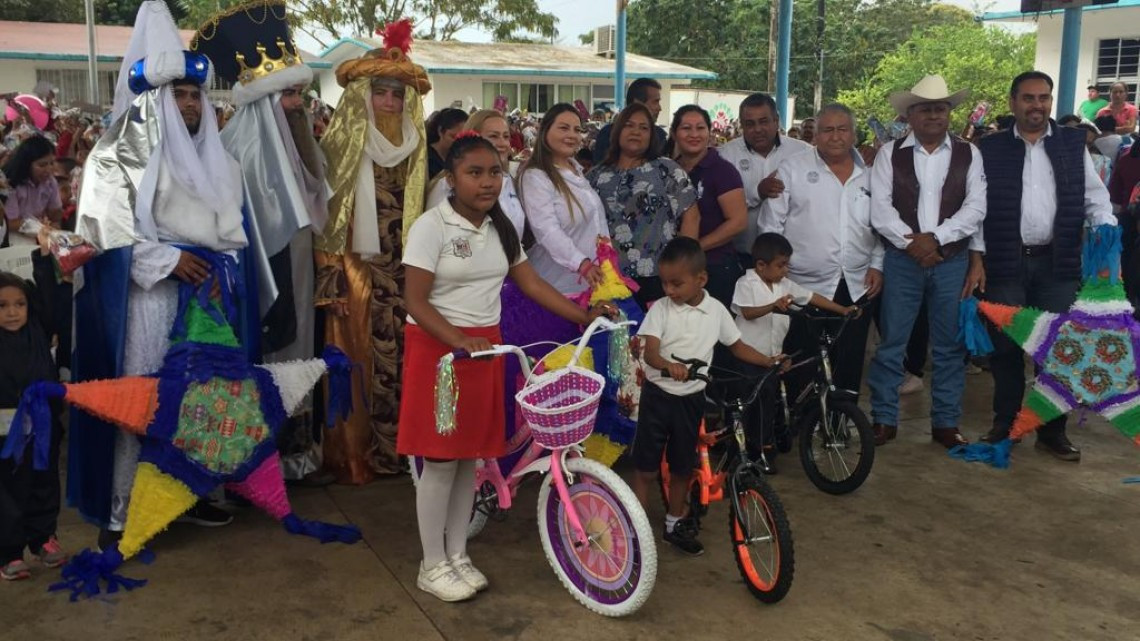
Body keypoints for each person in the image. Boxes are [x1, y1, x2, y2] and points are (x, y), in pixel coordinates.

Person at [398, 134, 608, 602]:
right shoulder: (431, 227)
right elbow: (414, 300)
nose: (487, 182)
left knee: (469, 458)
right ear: (451, 179)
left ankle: (458, 554)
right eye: (474, 173)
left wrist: (583, 315)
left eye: (494, 172)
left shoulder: (502, 228)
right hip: (441, 354)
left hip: (486, 350)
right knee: (440, 462)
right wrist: (458, 340)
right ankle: (431, 564)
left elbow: (532, 283)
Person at [70, 1, 248, 548]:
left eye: (195, 94)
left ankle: (185, 498)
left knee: (196, 402)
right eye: (178, 94)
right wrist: (169, 261)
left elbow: (234, 235)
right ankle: (123, 511)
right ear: (155, 99)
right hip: (146, 303)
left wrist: (222, 273)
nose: (190, 104)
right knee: (143, 400)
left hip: (205, 302)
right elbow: (102, 239)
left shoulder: (223, 162)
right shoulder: (113, 161)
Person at [193, 0, 332, 483]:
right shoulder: (236, 150)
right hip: (256, 277)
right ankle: (258, 467)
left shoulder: (297, 141)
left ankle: (296, 460)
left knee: (298, 353)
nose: (298, 105)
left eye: (299, 94)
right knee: (267, 356)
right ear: (265, 100)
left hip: (298, 268)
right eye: (289, 95)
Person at [975, 71, 1119, 462]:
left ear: (1051, 102)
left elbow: (1094, 197)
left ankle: (1052, 431)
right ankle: (1005, 425)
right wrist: (976, 257)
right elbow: (976, 204)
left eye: (1043, 98)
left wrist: (1106, 233)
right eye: (1028, 98)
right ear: (1013, 102)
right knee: (1006, 348)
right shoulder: (990, 147)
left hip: (1057, 264)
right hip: (1005, 262)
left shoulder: (1072, 143)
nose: (1036, 105)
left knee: (1057, 351)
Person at [313, 20, 431, 482]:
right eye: (380, 93)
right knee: (357, 358)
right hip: (355, 270)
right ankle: (353, 455)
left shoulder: (416, 145)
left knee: (406, 360)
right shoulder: (341, 145)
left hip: (404, 271)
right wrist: (330, 278)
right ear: (363, 97)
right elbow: (326, 219)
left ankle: (402, 450)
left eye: (397, 95)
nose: (389, 103)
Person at [633, 236, 783, 556]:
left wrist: (768, 361)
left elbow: (737, 346)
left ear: (701, 279)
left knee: (682, 468)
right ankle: (635, 527)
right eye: (665, 283)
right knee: (645, 468)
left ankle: (674, 523)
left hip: (692, 399)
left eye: (676, 284)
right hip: (658, 396)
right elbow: (651, 353)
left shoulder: (716, 311)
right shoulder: (661, 310)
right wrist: (668, 366)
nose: (669, 290)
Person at [867, 75, 987, 449]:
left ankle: (945, 422)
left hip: (950, 260)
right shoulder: (889, 154)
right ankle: (884, 417)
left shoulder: (969, 153)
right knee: (893, 341)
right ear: (910, 115)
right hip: (903, 260)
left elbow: (975, 208)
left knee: (950, 345)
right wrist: (914, 243)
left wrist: (935, 239)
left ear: (949, 113)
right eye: (925, 109)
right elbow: (880, 209)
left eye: (940, 108)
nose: (933, 115)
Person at [759, 103, 884, 398]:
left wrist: (877, 264)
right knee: (802, 362)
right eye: (828, 130)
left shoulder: (873, 173)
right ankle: (805, 419)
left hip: (857, 284)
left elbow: (882, 224)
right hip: (802, 285)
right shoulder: (792, 169)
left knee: (849, 361)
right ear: (815, 134)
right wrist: (776, 275)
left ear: (854, 134)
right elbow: (770, 226)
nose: (835, 136)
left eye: (843, 129)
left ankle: (841, 418)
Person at [732, 232, 855, 469]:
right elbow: (746, 312)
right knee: (752, 406)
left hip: (772, 357)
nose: (786, 270)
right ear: (761, 265)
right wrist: (772, 306)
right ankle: (750, 453)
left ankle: (767, 446)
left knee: (770, 402)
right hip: (748, 357)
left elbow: (811, 297)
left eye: (787, 264)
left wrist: (842, 310)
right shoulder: (746, 283)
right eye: (781, 265)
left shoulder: (785, 285)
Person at [587, 103, 698, 306]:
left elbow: (691, 217)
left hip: (659, 277)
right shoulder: (596, 175)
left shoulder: (667, 170)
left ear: (651, 135)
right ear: (617, 131)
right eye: (629, 125)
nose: (636, 132)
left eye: (644, 127)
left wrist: (683, 267)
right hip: (608, 278)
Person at [0, 271, 66, 580]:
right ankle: (10, 553)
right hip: (4, 436)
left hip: (42, 428)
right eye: (2, 306)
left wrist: (43, 259)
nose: (12, 312)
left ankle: (43, 538)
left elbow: (49, 301)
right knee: (8, 491)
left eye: (20, 304)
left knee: (44, 481)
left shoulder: (39, 331)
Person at [519, 103, 608, 294]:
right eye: (563, 128)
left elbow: (597, 223)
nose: (572, 135)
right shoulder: (536, 176)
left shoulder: (577, 170)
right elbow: (547, 230)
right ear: (545, 131)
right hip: (557, 287)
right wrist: (582, 263)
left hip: (592, 283)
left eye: (577, 130)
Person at [719, 93, 812, 272]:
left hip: (790, 262)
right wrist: (757, 192)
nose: (757, 129)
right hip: (739, 258)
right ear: (741, 125)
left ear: (776, 121)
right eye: (750, 124)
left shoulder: (803, 152)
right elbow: (719, 205)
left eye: (764, 121)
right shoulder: (726, 155)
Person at [668, 105, 747, 309]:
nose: (694, 134)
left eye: (700, 128)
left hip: (714, 266)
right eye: (686, 128)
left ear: (709, 132)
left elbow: (738, 221)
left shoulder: (722, 170)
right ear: (674, 133)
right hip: (675, 268)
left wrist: (695, 248)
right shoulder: (668, 169)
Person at [426, 109, 524, 236]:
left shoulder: (508, 179)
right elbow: (434, 233)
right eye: (493, 136)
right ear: (473, 138)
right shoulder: (447, 184)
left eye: (506, 136)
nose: (502, 143)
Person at [2, 136, 61, 246]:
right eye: (42, 165)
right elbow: (10, 222)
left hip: (37, 228)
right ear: (27, 164)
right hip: (12, 232)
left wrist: (53, 225)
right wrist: (39, 228)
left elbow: (56, 214)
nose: (49, 170)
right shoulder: (11, 184)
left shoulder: (50, 182)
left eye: (52, 163)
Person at [591, 78, 666, 165]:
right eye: (655, 102)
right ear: (637, 103)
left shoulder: (660, 135)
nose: (659, 108)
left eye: (644, 128)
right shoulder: (607, 133)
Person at [426, 108, 469, 180]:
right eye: (453, 136)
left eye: (463, 137)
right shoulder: (426, 157)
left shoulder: (463, 156)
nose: (458, 142)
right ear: (440, 131)